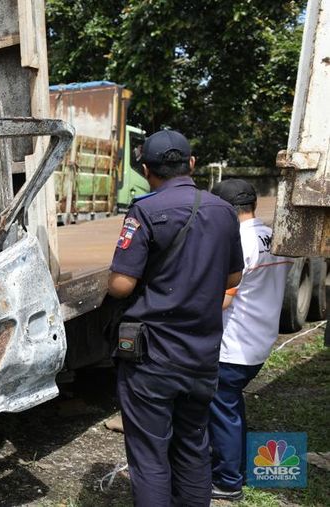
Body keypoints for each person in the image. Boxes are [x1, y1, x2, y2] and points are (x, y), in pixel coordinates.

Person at [107, 129, 244, 506]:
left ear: (147, 169)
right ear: (193, 164)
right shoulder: (223, 211)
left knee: (150, 455)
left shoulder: (145, 211)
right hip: (201, 356)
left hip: (152, 359)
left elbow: (121, 285)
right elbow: (234, 277)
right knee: (193, 447)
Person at [208, 179, 293, 501]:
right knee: (231, 406)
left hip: (234, 343)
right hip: (260, 340)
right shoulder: (272, 235)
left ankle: (228, 481)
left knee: (222, 410)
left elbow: (222, 300)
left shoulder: (237, 242)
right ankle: (239, 467)